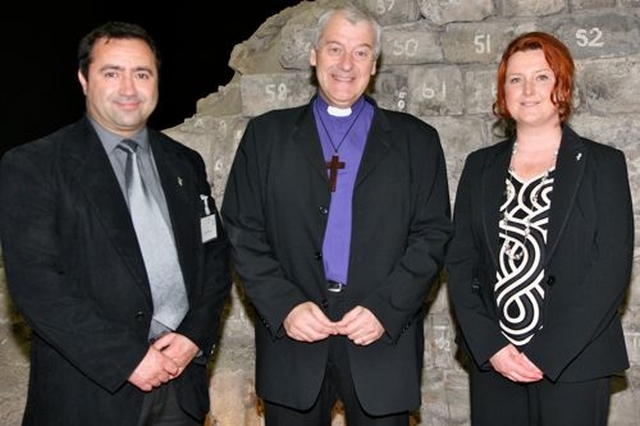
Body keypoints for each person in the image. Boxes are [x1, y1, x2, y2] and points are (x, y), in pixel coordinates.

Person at [221, 4, 451, 426]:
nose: (347, 64)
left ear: (375, 63)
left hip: (380, 341)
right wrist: (286, 305)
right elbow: (241, 229)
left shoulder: (417, 141)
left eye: (361, 52)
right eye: (335, 49)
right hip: (293, 341)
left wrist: (385, 308)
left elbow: (432, 235)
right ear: (314, 55)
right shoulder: (266, 137)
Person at [0, 21, 232, 426]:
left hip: (180, 389)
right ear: (83, 79)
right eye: (112, 73)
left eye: (142, 74)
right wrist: (128, 358)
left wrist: (194, 336)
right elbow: (36, 283)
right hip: (89, 395)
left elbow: (213, 256)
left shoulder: (184, 163)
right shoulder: (34, 166)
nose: (129, 88)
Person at [445, 31, 634, 426]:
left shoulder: (604, 165)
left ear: (562, 86)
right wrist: (491, 346)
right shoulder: (479, 167)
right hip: (495, 364)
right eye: (516, 79)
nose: (528, 89)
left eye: (542, 77)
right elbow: (461, 264)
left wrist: (544, 354)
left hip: (575, 364)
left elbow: (610, 270)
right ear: (503, 91)